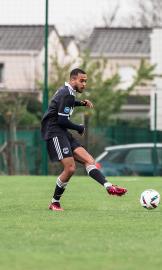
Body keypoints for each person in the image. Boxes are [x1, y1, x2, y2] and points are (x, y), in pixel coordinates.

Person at [41, 68, 127, 211]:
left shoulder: (66, 91)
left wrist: (80, 103)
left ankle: (108, 186)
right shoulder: (67, 93)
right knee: (70, 169)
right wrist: (79, 128)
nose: (84, 84)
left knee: (89, 160)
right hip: (54, 132)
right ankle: (54, 202)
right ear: (72, 80)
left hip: (63, 132)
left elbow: (65, 103)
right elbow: (62, 120)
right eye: (81, 81)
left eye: (85, 81)